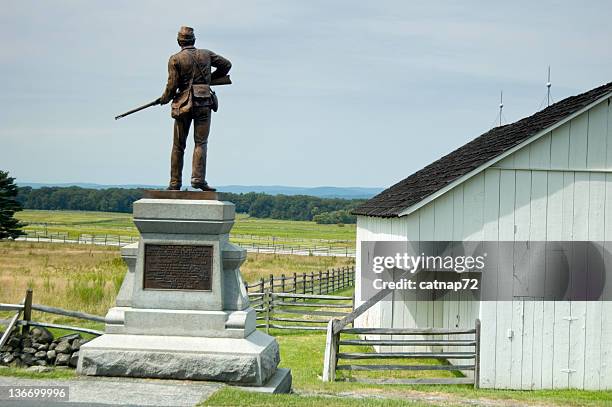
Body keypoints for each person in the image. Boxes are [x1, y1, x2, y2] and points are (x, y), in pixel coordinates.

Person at [159, 26, 231, 191]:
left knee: (178, 145)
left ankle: (175, 182)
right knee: (201, 142)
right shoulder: (206, 54)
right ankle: (198, 179)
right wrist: (207, 81)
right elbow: (227, 65)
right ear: (194, 41)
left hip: (183, 104)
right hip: (204, 102)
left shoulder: (175, 59)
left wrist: (164, 98)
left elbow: (172, 86)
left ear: (179, 42)